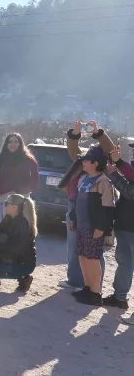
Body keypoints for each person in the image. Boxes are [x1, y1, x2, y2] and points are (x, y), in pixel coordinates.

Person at [59, 121, 113, 291]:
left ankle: (95, 288)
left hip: (94, 210)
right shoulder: (84, 161)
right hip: (75, 205)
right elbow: (73, 150)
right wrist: (75, 134)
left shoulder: (103, 165)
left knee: (94, 251)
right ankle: (76, 281)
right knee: (76, 246)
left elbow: (110, 149)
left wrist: (99, 133)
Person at [68, 146, 116, 306]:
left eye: (86, 160)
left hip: (93, 228)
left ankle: (95, 293)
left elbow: (108, 208)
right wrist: (73, 218)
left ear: (95, 163)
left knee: (93, 258)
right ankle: (87, 288)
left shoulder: (103, 182)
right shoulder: (83, 179)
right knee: (82, 256)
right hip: (81, 225)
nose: (83, 162)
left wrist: (101, 228)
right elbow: (76, 202)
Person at [0, 193, 37, 292]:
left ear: (14, 207)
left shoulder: (23, 223)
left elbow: (18, 249)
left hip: (24, 263)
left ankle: (24, 278)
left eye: (6, 203)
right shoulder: (8, 218)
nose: (4, 205)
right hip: (13, 257)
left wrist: (1, 243)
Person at [101, 144, 134, 310]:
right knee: (124, 262)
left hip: (129, 226)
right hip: (125, 224)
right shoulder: (131, 169)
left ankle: (120, 297)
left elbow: (130, 192)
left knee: (126, 262)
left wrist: (113, 174)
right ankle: (119, 297)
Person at [0, 133, 39, 226]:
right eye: (10, 142)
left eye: (16, 142)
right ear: (6, 144)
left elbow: (35, 178)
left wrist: (23, 192)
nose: (13, 144)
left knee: (9, 227)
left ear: (20, 144)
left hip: (14, 199)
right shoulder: (1, 157)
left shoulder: (27, 159)